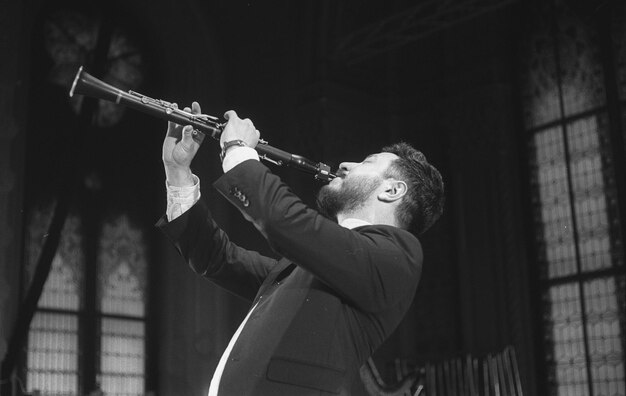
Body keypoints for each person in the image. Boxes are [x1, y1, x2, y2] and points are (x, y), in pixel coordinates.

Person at [157, 102, 445, 395]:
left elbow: (284, 220)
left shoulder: (399, 254)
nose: (346, 164)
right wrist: (177, 172)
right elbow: (218, 259)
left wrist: (237, 149)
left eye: (366, 162)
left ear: (392, 190)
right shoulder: (313, 266)